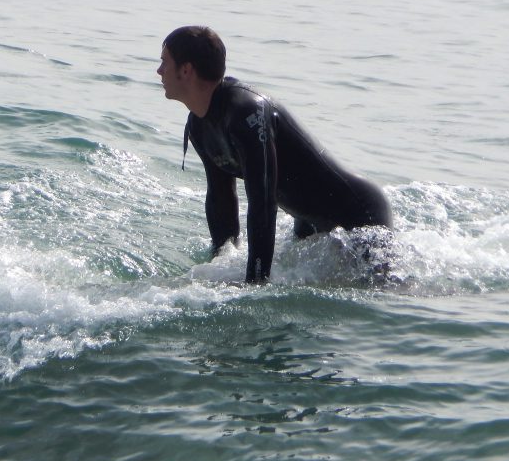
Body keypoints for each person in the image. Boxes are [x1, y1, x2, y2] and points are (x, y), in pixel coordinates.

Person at [158, 25, 392, 283]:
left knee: (387, 291)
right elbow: (220, 198)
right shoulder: (199, 125)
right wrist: (219, 266)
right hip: (309, 223)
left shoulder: (246, 113)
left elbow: (263, 202)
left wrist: (255, 282)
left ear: (186, 70)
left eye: (164, 62)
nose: (159, 71)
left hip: (358, 215)